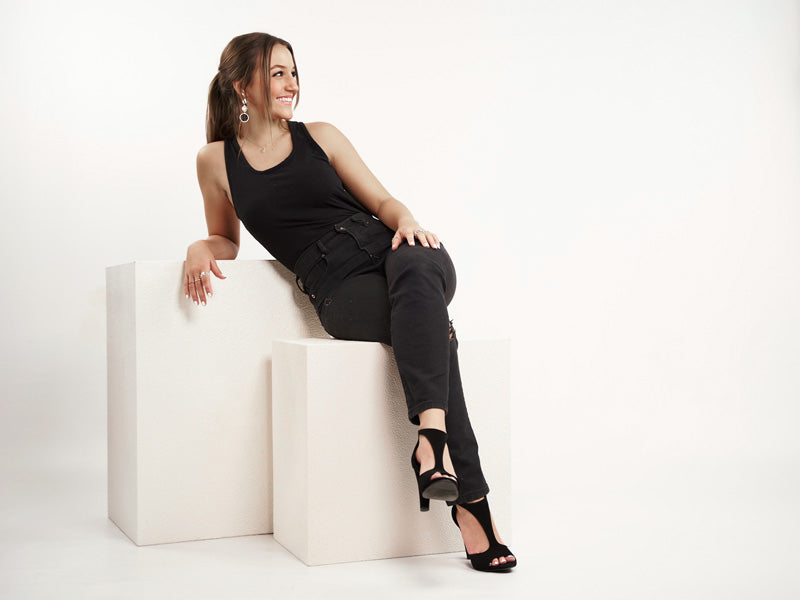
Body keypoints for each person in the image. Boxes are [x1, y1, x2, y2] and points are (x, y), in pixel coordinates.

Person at [183, 32, 516, 572]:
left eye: (294, 72)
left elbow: (381, 200)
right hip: (339, 286)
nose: (291, 84)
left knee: (418, 265)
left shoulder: (321, 135)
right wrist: (200, 247)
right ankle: (469, 497)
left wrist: (406, 221)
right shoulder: (215, 161)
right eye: (277, 73)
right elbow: (225, 238)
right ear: (242, 85)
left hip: (395, 251)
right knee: (434, 328)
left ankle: (431, 440)